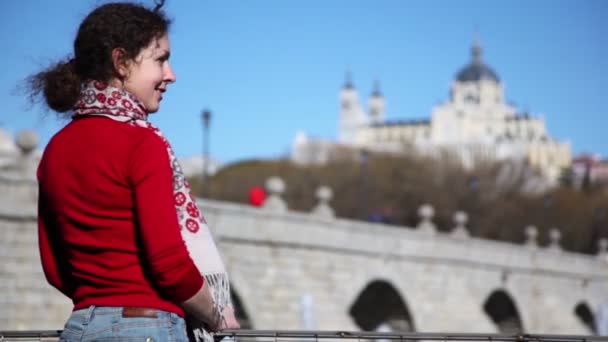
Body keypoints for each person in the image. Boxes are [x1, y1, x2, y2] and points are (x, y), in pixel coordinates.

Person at [29, 2, 239, 341]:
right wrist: (218, 318)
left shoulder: (55, 149)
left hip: (81, 328)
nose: (171, 74)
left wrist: (101, 305)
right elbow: (169, 264)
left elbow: (55, 269)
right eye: (160, 59)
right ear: (122, 62)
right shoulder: (142, 143)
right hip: (147, 326)